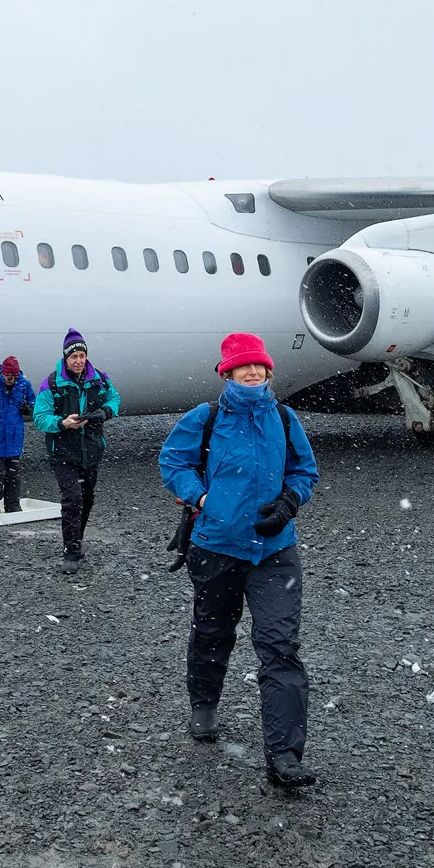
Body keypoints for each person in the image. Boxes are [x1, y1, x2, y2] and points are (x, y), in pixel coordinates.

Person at [158, 333, 320, 788]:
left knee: (280, 646)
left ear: (269, 371)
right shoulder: (205, 418)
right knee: (213, 630)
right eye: (242, 367)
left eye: (259, 366)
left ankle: (285, 756)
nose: (252, 373)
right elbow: (173, 462)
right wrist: (203, 497)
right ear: (226, 373)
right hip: (215, 548)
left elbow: (305, 471)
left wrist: (290, 501)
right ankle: (204, 705)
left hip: (274, 553)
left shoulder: (285, 419)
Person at [31, 329, 121, 573]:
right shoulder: (52, 383)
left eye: (82, 355)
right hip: (62, 452)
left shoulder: (99, 379)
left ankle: (76, 539)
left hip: (91, 450)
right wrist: (63, 423)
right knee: (72, 499)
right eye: (74, 357)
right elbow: (39, 417)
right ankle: (70, 550)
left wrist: (105, 413)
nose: (79, 361)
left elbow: (114, 399)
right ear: (65, 358)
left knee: (87, 498)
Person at [0, 356, 36, 512]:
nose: (12, 379)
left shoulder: (23, 384)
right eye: (9, 376)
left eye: (14, 376)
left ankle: (12, 504)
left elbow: (33, 402)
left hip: (13, 436)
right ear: (3, 373)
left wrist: (28, 408)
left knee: (13, 473)